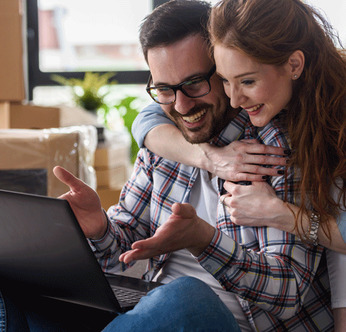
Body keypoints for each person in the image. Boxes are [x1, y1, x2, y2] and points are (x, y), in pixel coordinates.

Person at [0, 1, 333, 331]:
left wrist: (205, 241)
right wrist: (98, 227)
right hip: (141, 313)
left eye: (195, 84)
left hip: (221, 319)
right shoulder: (164, 139)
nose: (182, 106)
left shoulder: (272, 148)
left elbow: (288, 294)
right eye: (165, 89)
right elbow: (125, 250)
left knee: (184, 298)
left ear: (223, 68)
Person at [131, 0, 345, 330]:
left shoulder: (285, 143)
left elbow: (312, 273)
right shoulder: (175, 125)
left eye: (245, 81)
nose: (234, 100)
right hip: (157, 304)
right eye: (226, 81)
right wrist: (208, 157)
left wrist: (280, 214)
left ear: (294, 65)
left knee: (183, 299)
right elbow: (146, 119)